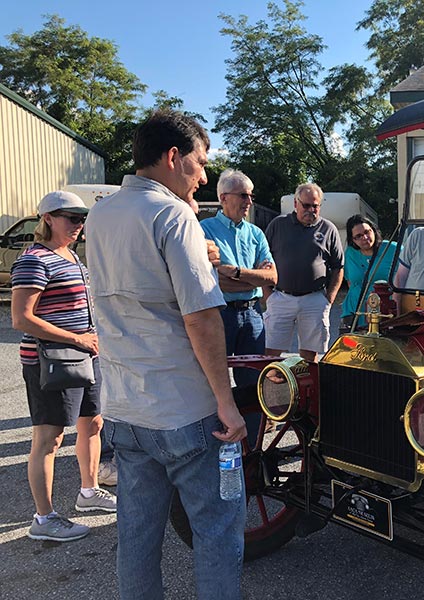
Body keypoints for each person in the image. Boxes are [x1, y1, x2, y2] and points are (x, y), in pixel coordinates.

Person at [85, 109, 246, 600]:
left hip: (126, 408)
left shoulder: (101, 213)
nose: (204, 177)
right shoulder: (172, 214)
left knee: (136, 535)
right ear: (173, 157)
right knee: (217, 531)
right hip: (186, 408)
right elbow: (200, 316)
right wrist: (227, 401)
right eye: (200, 163)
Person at [11, 191, 117, 543]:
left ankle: (89, 492)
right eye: (71, 218)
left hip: (84, 356)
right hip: (51, 362)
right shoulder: (34, 260)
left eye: (81, 218)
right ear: (48, 219)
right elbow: (21, 318)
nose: (78, 224)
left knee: (93, 424)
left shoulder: (70, 255)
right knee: (50, 437)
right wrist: (77, 339)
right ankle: (44, 517)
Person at [201, 168, 277, 387]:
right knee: (214, 380)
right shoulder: (204, 230)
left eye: (251, 195)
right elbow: (213, 281)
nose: (249, 201)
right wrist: (255, 277)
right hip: (220, 313)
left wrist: (236, 272)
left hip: (253, 314)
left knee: (253, 383)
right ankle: (221, 422)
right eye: (243, 195)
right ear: (223, 198)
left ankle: (250, 423)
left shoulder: (256, 233)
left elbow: (272, 277)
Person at [264, 183, 343, 362]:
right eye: (306, 205)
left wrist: (329, 299)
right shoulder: (278, 224)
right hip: (281, 297)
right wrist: (268, 295)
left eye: (315, 206)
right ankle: (272, 388)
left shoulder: (328, 228)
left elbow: (338, 267)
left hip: (314, 299)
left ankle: (308, 388)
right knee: (271, 352)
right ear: (295, 203)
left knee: (310, 354)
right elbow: (263, 261)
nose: (311, 210)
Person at [340, 214, 397, 332]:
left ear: (374, 230)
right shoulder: (350, 253)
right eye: (358, 236)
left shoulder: (392, 248)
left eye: (367, 232)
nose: (364, 238)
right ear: (353, 240)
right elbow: (350, 282)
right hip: (354, 313)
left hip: (384, 313)